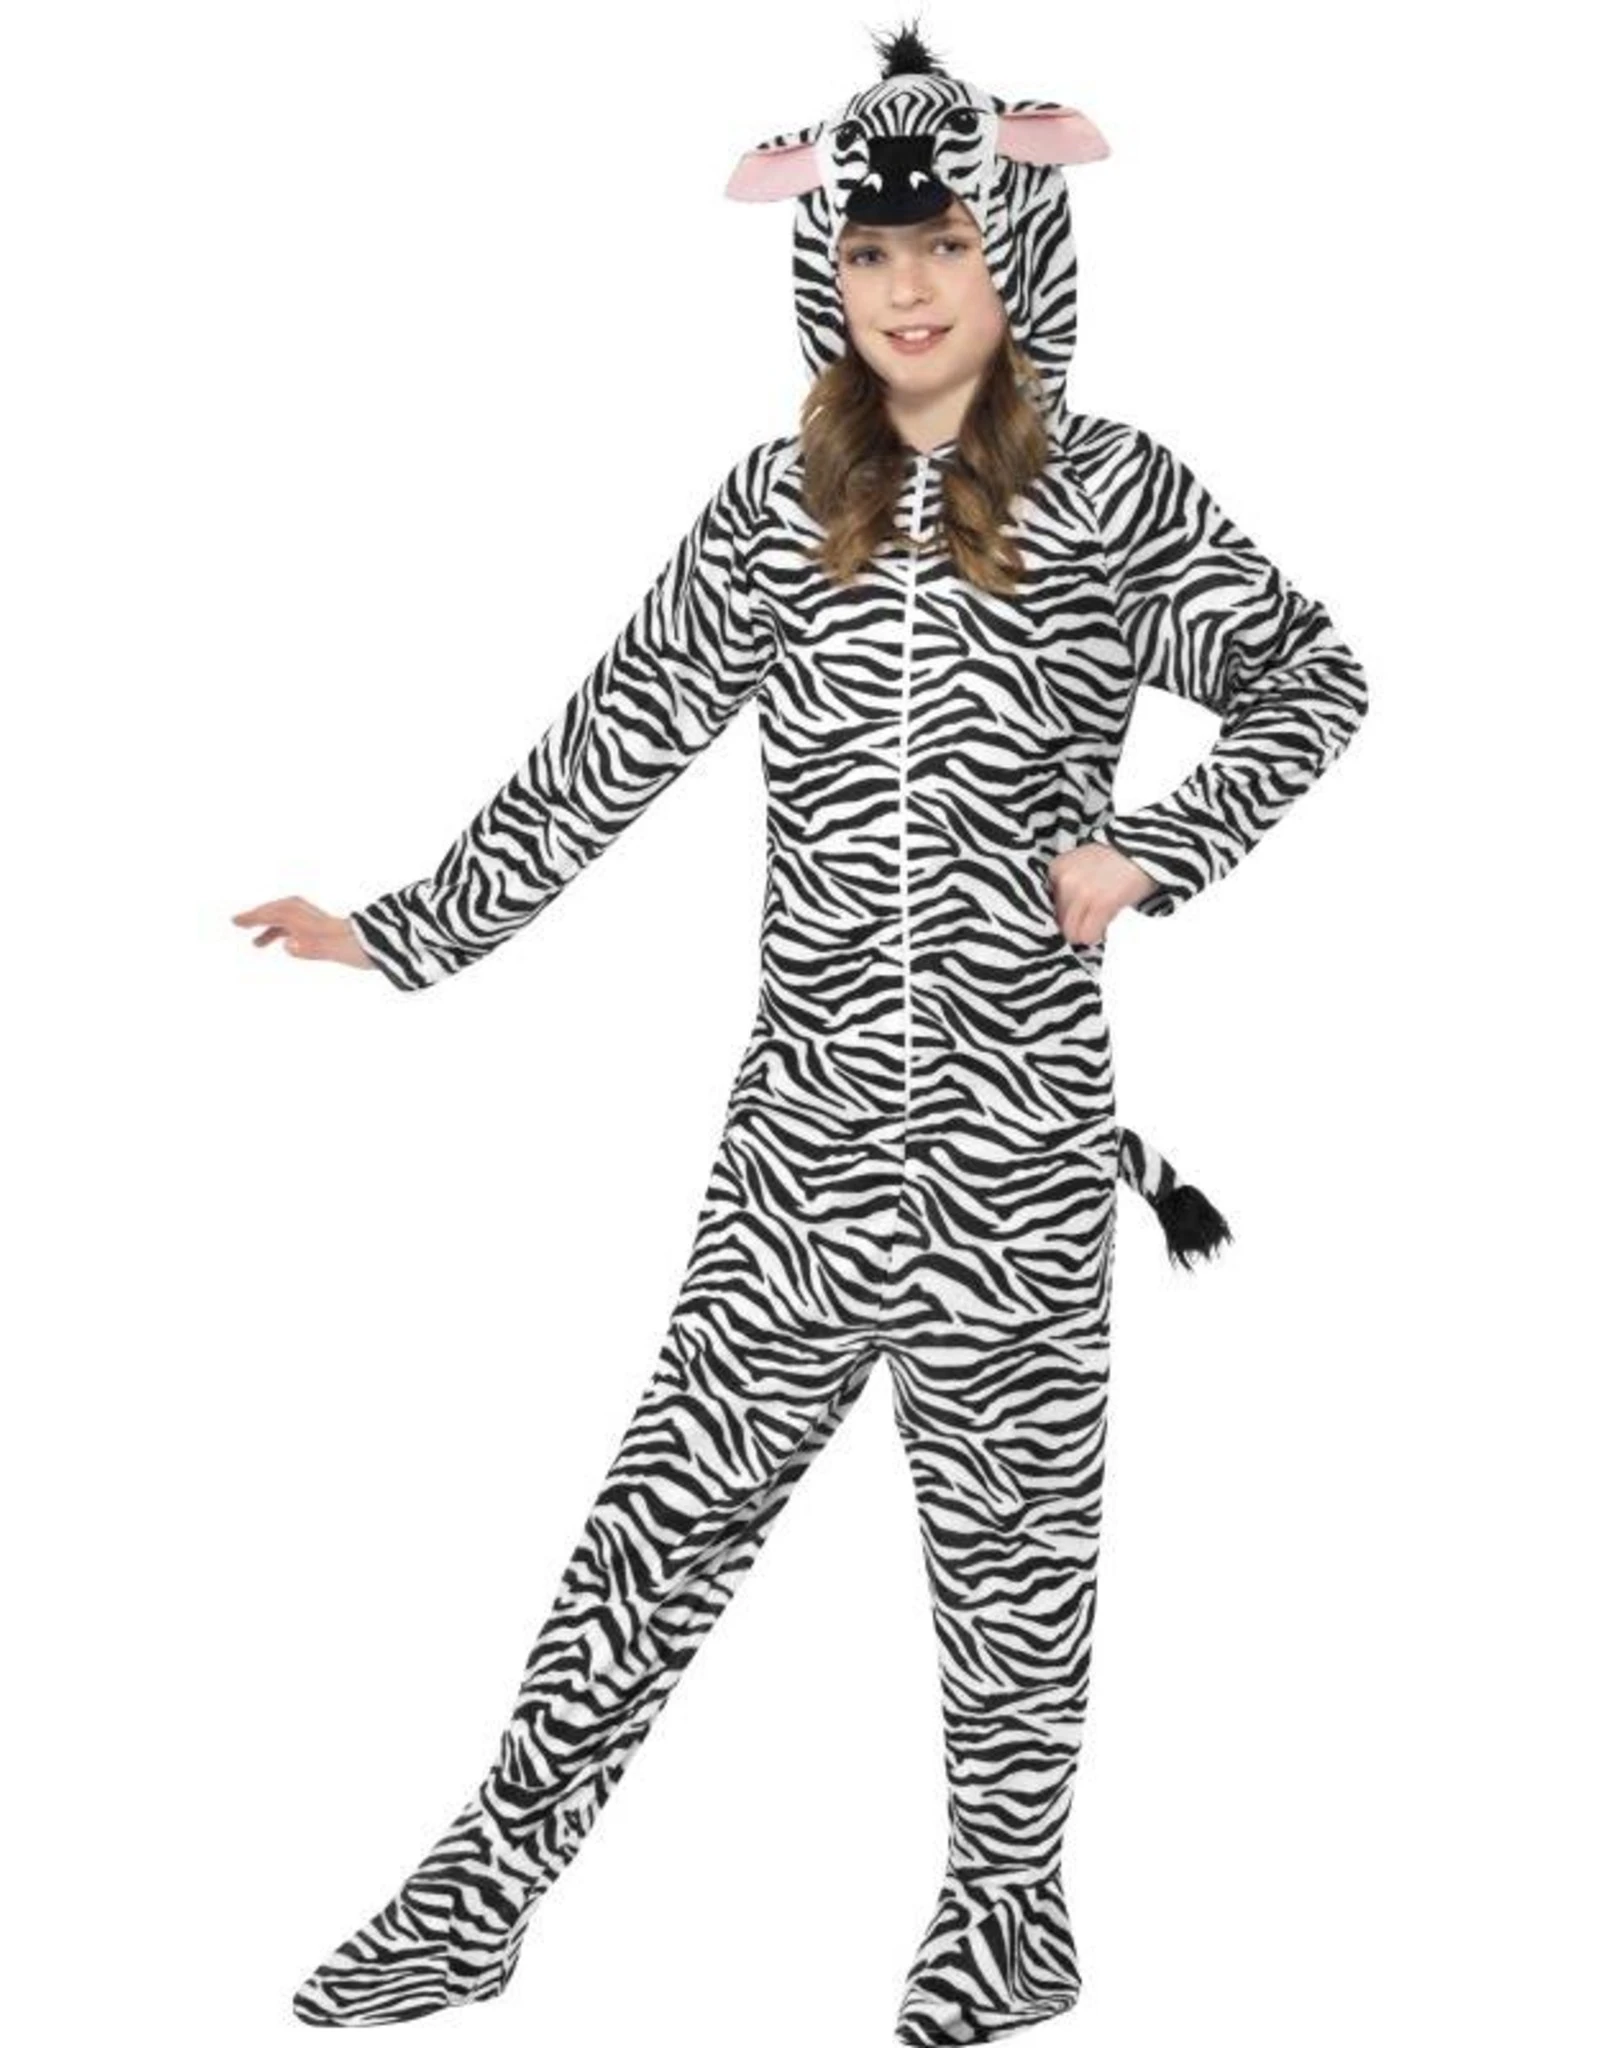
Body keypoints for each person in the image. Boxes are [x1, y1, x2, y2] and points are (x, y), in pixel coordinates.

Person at [239, 22, 1368, 2045]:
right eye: (868, 254)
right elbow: (607, 746)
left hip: (1023, 1154)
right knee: (652, 1531)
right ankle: (481, 1890)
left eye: (944, 243)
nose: (907, 288)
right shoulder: (781, 512)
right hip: (806, 1156)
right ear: (821, 273)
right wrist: (406, 929)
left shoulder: (1111, 497)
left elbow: (1312, 675)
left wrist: (1153, 846)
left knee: (1015, 1578)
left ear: (1015, 249)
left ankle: (1008, 1927)